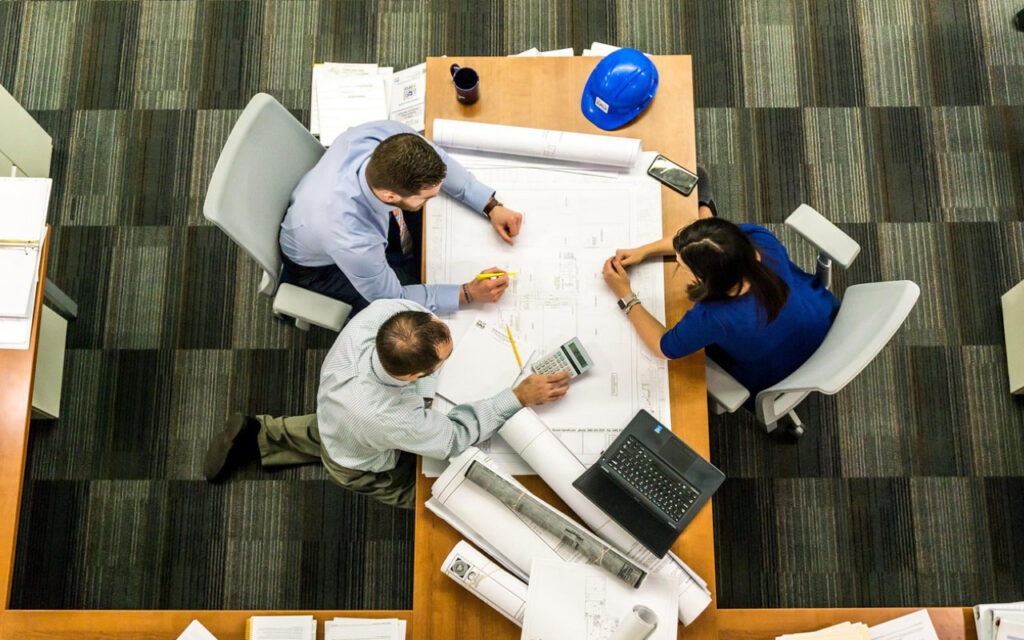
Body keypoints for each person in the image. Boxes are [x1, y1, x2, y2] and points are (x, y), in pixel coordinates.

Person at [202, 299, 571, 509]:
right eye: (444, 360)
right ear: (414, 376)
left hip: (338, 409)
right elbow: (454, 438)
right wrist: (517, 396)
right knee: (432, 494)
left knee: (335, 428)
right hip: (359, 460)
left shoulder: (383, 314)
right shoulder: (392, 417)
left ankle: (259, 434)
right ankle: (436, 503)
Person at [600, 170, 838, 435]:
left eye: (683, 264)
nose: (679, 262)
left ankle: (704, 207)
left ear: (707, 278)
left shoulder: (714, 316)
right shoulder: (759, 241)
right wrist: (643, 251)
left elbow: (663, 346)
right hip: (824, 321)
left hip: (777, 373)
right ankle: (705, 208)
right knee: (702, 199)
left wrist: (626, 295)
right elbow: (706, 242)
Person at [280, 120, 524, 315]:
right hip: (320, 267)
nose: (434, 198)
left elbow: (442, 162)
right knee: (409, 314)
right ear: (390, 196)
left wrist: (490, 205)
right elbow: (393, 298)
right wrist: (467, 293)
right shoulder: (352, 239)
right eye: (427, 197)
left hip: (323, 208)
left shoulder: (386, 135)